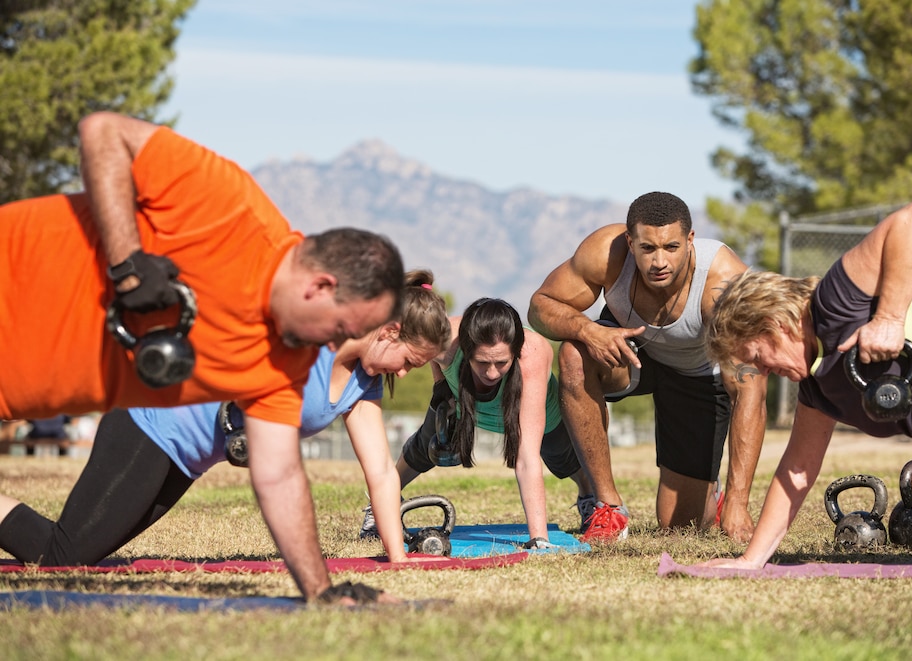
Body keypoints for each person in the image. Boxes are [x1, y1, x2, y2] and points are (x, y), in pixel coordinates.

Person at [0, 111, 405, 603]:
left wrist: (320, 591)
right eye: (342, 329)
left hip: (21, 382)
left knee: (69, 555)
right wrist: (127, 265)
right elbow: (102, 130)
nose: (333, 346)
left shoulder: (286, 360)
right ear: (321, 287)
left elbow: (277, 473)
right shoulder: (229, 206)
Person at [0, 271, 450, 592]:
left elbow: (381, 473)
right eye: (409, 361)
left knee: (81, 557)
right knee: (61, 559)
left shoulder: (363, 383)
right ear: (389, 332)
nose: (406, 375)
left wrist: (397, 558)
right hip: (150, 423)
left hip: (184, 461)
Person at [696, 199, 912, 568]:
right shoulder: (817, 389)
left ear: (775, 325)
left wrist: (888, 318)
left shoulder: (837, 301)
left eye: (757, 356)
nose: (764, 372)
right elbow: (797, 470)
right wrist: (751, 561)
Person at [528, 191, 767, 542]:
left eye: (671, 248)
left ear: (690, 240)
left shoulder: (723, 284)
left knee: (680, 526)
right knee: (574, 354)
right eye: (647, 249)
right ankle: (606, 507)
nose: (659, 262)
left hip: (697, 374)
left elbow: (750, 390)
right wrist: (587, 329)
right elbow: (540, 306)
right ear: (630, 241)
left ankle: (712, 498)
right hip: (631, 351)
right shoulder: (606, 252)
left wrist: (738, 500)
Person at [360, 298, 594, 548]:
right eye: (482, 362)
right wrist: (441, 386)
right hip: (464, 403)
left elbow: (526, 459)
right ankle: (381, 503)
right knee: (423, 446)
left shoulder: (533, 354)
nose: (492, 373)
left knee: (566, 460)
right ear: (466, 349)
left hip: (538, 417)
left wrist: (538, 538)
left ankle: (588, 496)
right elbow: (416, 351)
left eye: (501, 363)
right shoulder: (446, 341)